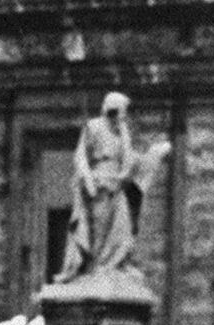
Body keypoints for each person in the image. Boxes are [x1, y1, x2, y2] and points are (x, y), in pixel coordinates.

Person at [54, 92, 167, 282]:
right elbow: (81, 156)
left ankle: (114, 265)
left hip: (117, 185)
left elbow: (130, 161)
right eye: (122, 112)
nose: (124, 116)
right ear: (112, 111)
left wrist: (153, 153)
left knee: (123, 228)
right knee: (99, 228)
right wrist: (88, 179)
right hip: (99, 184)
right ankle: (95, 268)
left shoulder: (121, 131)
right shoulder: (94, 127)